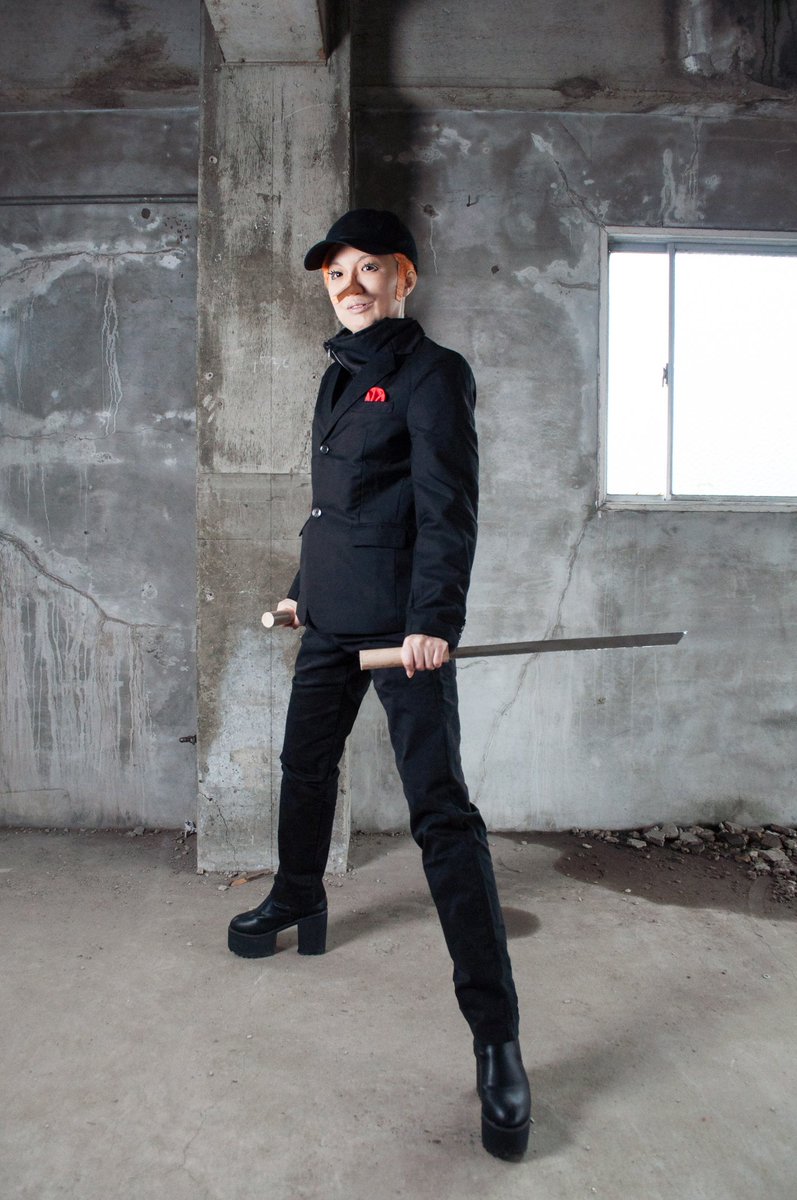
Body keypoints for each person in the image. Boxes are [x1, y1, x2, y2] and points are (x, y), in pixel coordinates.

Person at [227, 209, 531, 1159]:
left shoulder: (434, 374)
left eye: (368, 270)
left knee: (440, 816)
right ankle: (298, 896)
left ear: (404, 277)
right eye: (335, 274)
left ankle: (496, 1040)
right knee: (303, 767)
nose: (349, 286)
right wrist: (297, 590)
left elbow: (447, 508)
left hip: (402, 633)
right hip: (328, 621)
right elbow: (333, 506)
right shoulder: (335, 373)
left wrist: (433, 622)